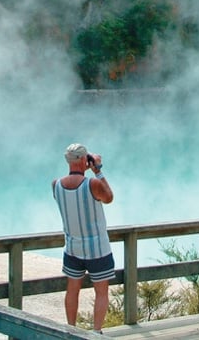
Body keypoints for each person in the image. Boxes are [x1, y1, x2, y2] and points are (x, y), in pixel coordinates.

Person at [52, 143, 114, 334]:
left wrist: (86, 166)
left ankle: (71, 329)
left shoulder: (56, 185)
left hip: (72, 248)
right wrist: (98, 171)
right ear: (82, 160)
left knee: (72, 290)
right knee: (101, 291)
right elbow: (109, 197)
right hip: (97, 248)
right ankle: (96, 332)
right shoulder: (93, 184)